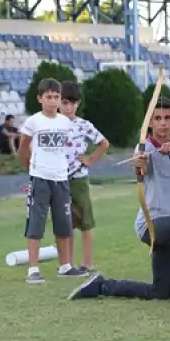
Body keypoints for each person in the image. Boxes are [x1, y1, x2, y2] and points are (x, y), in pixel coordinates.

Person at [67, 97, 170, 313]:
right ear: (150, 123)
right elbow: (140, 167)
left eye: (167, 118)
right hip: (151, 224)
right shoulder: (145, 146)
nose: (163, 123)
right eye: (157, 118)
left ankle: (102, 286)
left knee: (160, 292)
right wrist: (139, 164)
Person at [17, 78, 87, 283]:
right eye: (49, 97)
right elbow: (23, 149)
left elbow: (67, 148)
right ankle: (33, 270)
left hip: (61, 179)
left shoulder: (65, 123)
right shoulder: (34, 122)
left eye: (56, 97)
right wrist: (32, 169)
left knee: (64, 223)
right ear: (40, 98)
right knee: (36, 223)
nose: (53, 101)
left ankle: (65, 265)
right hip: (40, 179)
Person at [60, 81, 110, 273]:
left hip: (78, 178)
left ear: (78, 104)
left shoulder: (83, 125)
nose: (68, 107)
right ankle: (68, 263)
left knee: (86, 221)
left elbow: (103, 143)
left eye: (72, 103)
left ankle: (87, 262)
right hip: (60, 179)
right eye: (64, 102)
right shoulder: (54, 126)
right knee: (67, 222)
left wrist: (90, 159)